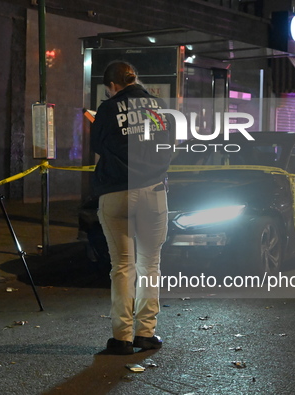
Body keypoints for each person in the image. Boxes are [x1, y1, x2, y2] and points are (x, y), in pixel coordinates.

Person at [91, 61, 172, 355]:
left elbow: (98, 145)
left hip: (117, 191)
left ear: (112, 86)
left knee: (122, 265)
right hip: (154, 191)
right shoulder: (159, 106)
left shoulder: (108, 109)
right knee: (150, 264)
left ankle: (122, 338)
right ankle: (146, 333)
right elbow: (169, 144)